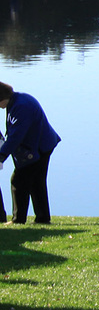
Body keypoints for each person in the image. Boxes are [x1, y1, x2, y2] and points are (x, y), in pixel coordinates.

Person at [0, 82, 61, 225]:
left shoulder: (21, 107)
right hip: (43, 144)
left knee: (18, 181)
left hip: (38, 148)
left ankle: (18, 220)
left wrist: (1, 156)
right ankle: (43, 219)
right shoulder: (18, 100)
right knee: (36, 182)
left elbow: (15, 137)